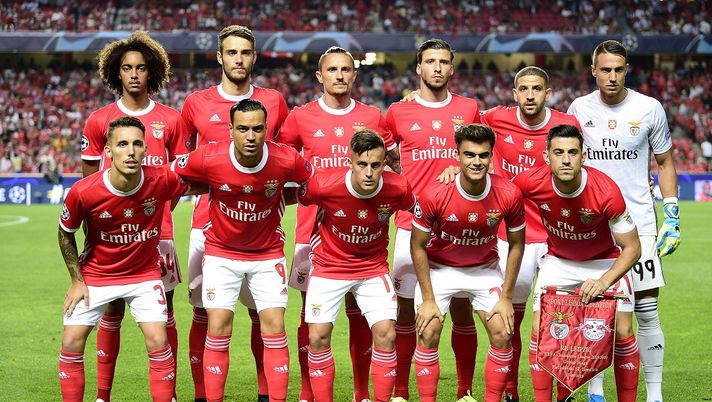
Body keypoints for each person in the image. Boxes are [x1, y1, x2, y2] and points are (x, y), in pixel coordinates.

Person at [276, 46, 400, 402]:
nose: (340, 75)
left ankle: (362, 392)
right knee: (310, 316)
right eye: (332, 70)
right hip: (311, 231)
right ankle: (306, 392)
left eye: (346, 69)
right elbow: (282, 160)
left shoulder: (373, 116)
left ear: (354, 74)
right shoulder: (300, 117)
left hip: (361, 231)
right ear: (320, 76)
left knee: (362, 314)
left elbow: (392, 164)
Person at [171, 99, 312, 402]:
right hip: (221, 254)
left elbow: (312, 185)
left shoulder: (287, 159)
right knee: (218, 326)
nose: (251, 136)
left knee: (274, 326)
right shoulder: (209, 157)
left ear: (266, 130)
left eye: (258, 129)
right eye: (244, 129)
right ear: (231, 130)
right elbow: (172, 174)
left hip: (267, 255)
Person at [80, 30, 190, 402]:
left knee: (166, 311)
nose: (134, 75)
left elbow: (177, 182)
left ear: (152, 71)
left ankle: (168, 393)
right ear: (116, 72)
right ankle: (102, 394)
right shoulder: (99, 121)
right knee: (111, 312)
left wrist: (152, 215)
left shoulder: (171, 120)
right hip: (111, 238)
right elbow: (89, 184)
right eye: (126, 67)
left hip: (158, 235)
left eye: (141, 68)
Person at [180, 25, 289, 402]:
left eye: (245, 52)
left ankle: (265, 393)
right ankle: (201, 394)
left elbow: (285, 160)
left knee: (265, 316)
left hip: (263, 230)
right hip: (206, 227)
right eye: (231, 52)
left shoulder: (274, 101)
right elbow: (184, 165)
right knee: (205, 315)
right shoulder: (195, 103)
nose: (238, 59)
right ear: (220, 57)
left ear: (253, 57)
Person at [567, 40, 680, 402]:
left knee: (646, 311)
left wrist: (672, 214)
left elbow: (665, 163)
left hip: (640, 223)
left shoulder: (650, 108)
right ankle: (596, 393)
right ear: (593, 70)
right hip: (592, 226)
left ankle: (655, 395)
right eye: (605, 69)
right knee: (596, 309)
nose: (612, 76)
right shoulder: (578, 108)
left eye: (618, 69)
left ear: (627, 68)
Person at [58, 117, 193, 402]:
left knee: (158, 339)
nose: (130, 151)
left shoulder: (161, 179)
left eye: (136, 144)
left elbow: (205, 181)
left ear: (145, 149)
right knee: (71, 341)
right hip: (97, 274)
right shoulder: (84, 191)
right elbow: (65, 233)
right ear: (108, 151)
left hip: (144, 275)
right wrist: (76, 279)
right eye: (122, 144)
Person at [513, 124, 642, 402]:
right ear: (547, 157)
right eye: (558, 152)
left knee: (622, 331)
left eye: (573, 152)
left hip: (605, 262)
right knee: (540, 330)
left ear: (583, 156)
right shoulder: (531, 181)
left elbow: (632, 249)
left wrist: (603, 281)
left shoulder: (605, 190)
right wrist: (454, 171)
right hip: (559, 261)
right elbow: (496, 192)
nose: (566, 159)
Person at [385, 38, 481, 401]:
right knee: (406, 311)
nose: (437, 67)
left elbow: (484, 156)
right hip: (411, 226)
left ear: (452, 68)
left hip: (458, 230)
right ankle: (399, 392)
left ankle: (465, 391)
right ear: (419, 69)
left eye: (443, 62)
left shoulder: (470, 109)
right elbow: (381, 155)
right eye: (430, 61)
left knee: (460, 308)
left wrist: (459, 167)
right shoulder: (398, 111)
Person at [297, 130, 415, 402]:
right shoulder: (324, 185)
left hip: (373, 269)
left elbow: (417, 209)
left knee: (386, 334)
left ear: (385, 163)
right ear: (349, 161)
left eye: (376, 165)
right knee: (317, 338)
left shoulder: (398, 187)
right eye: (362, 164)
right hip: (329, 268)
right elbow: (299, 196)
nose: (369, 172)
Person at [411, 124, 525, 402]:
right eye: (469, 155)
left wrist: (507, 296)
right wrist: (427, 298)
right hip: (440, 269)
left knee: (502, 331)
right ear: (457, 155)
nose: (476, 162)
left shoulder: (508, 193)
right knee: (428, 329)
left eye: (483, 156)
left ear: (491, 156)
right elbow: (417, 245)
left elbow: (517, 244)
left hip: (483, 270)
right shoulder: (434, 193)